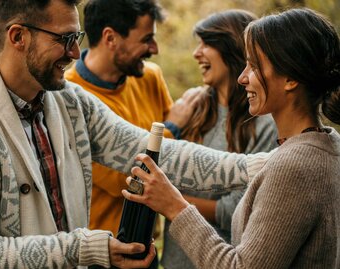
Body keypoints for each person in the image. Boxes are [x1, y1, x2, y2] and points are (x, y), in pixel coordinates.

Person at [0, 0, 272, 267]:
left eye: (76, 39)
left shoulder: (71, 103)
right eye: (64, 39)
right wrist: (89, 247)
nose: (74, 53)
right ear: (18, 36)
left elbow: (156, 155)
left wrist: (263, 165)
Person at [124, 8, 340, 268]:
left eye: (255, 66)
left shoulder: (294, 166)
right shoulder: (328, 145)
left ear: (291, 79)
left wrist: (174, 205)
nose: (242, 77)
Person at [65, 0, 196, 239]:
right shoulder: (70, 97)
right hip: (101, 250)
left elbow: (175, 161)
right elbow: (125, 180)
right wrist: (172, 127)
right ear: (110, 37)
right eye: (146, 39)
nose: (154, 49)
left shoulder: (150, 77)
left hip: (146, 243)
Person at [161, 10, 278, 269]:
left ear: (231, 48)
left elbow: (235, 209)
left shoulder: (264, 123)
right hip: (173, 261)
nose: (196, 53)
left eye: (206, 43)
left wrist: (168, 200)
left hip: (218, 259)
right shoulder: (193, 107)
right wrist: (174, 126)